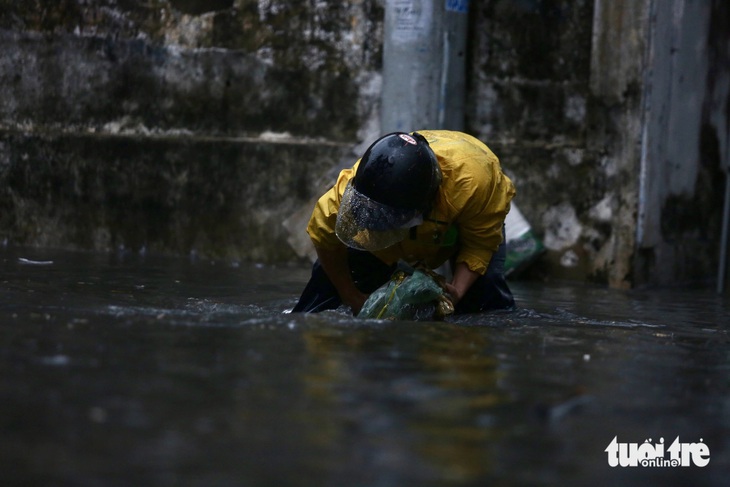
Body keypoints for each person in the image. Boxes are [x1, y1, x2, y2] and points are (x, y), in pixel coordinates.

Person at [292, 129, 516, 315]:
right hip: (388, 217)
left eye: (389, 218)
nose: (382, 223)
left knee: (486, 299)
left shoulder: (474, 184)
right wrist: (351, 296)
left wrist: (456, 292)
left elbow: (479, 245)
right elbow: (324, 237)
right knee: (322, 294)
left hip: (463, 223)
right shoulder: (350, 195)